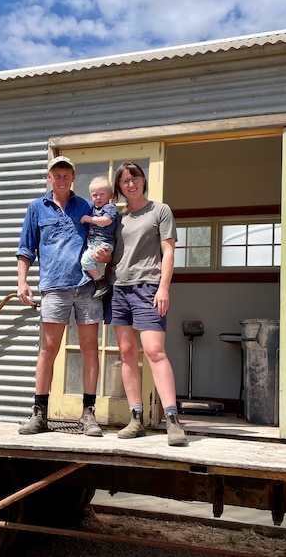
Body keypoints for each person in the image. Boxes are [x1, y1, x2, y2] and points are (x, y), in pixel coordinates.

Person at [16, 155, 108, 437]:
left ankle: (89, 414)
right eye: (57, 175)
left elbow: (105, 236)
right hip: (53, 287)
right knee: (48, 350)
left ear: (73, 177)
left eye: (67, 175)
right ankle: (39, 413)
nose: (62, 179)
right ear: (49, 177)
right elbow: (25, 249)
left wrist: (106, 254)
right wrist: (22, 282)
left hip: (85, 287)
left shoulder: (86, 206)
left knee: (90, 349)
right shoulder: (36, 208)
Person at [109, 161, 188, 446]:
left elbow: (168, 252)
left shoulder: (160, 210)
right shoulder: (117, 218)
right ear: (119, 187)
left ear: (143, 180)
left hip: (148, 288)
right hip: (118, 289)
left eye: (135, 178)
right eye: (125, 181)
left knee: (154, 351)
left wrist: (163, 288)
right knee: (127, 353)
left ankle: (172, 420)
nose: (131, 184)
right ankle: (136, 418)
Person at [80, 176, 118, 299]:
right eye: (94, 195)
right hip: (93, 243)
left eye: (102, 194)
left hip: (104, 243)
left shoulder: (110, 208)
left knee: (85, 260)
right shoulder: (94, 209)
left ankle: (100, 283)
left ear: (110, 195)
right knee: (91, 262)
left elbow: (106, 221)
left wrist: (89, 219)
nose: (98, 197)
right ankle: (99, 282)